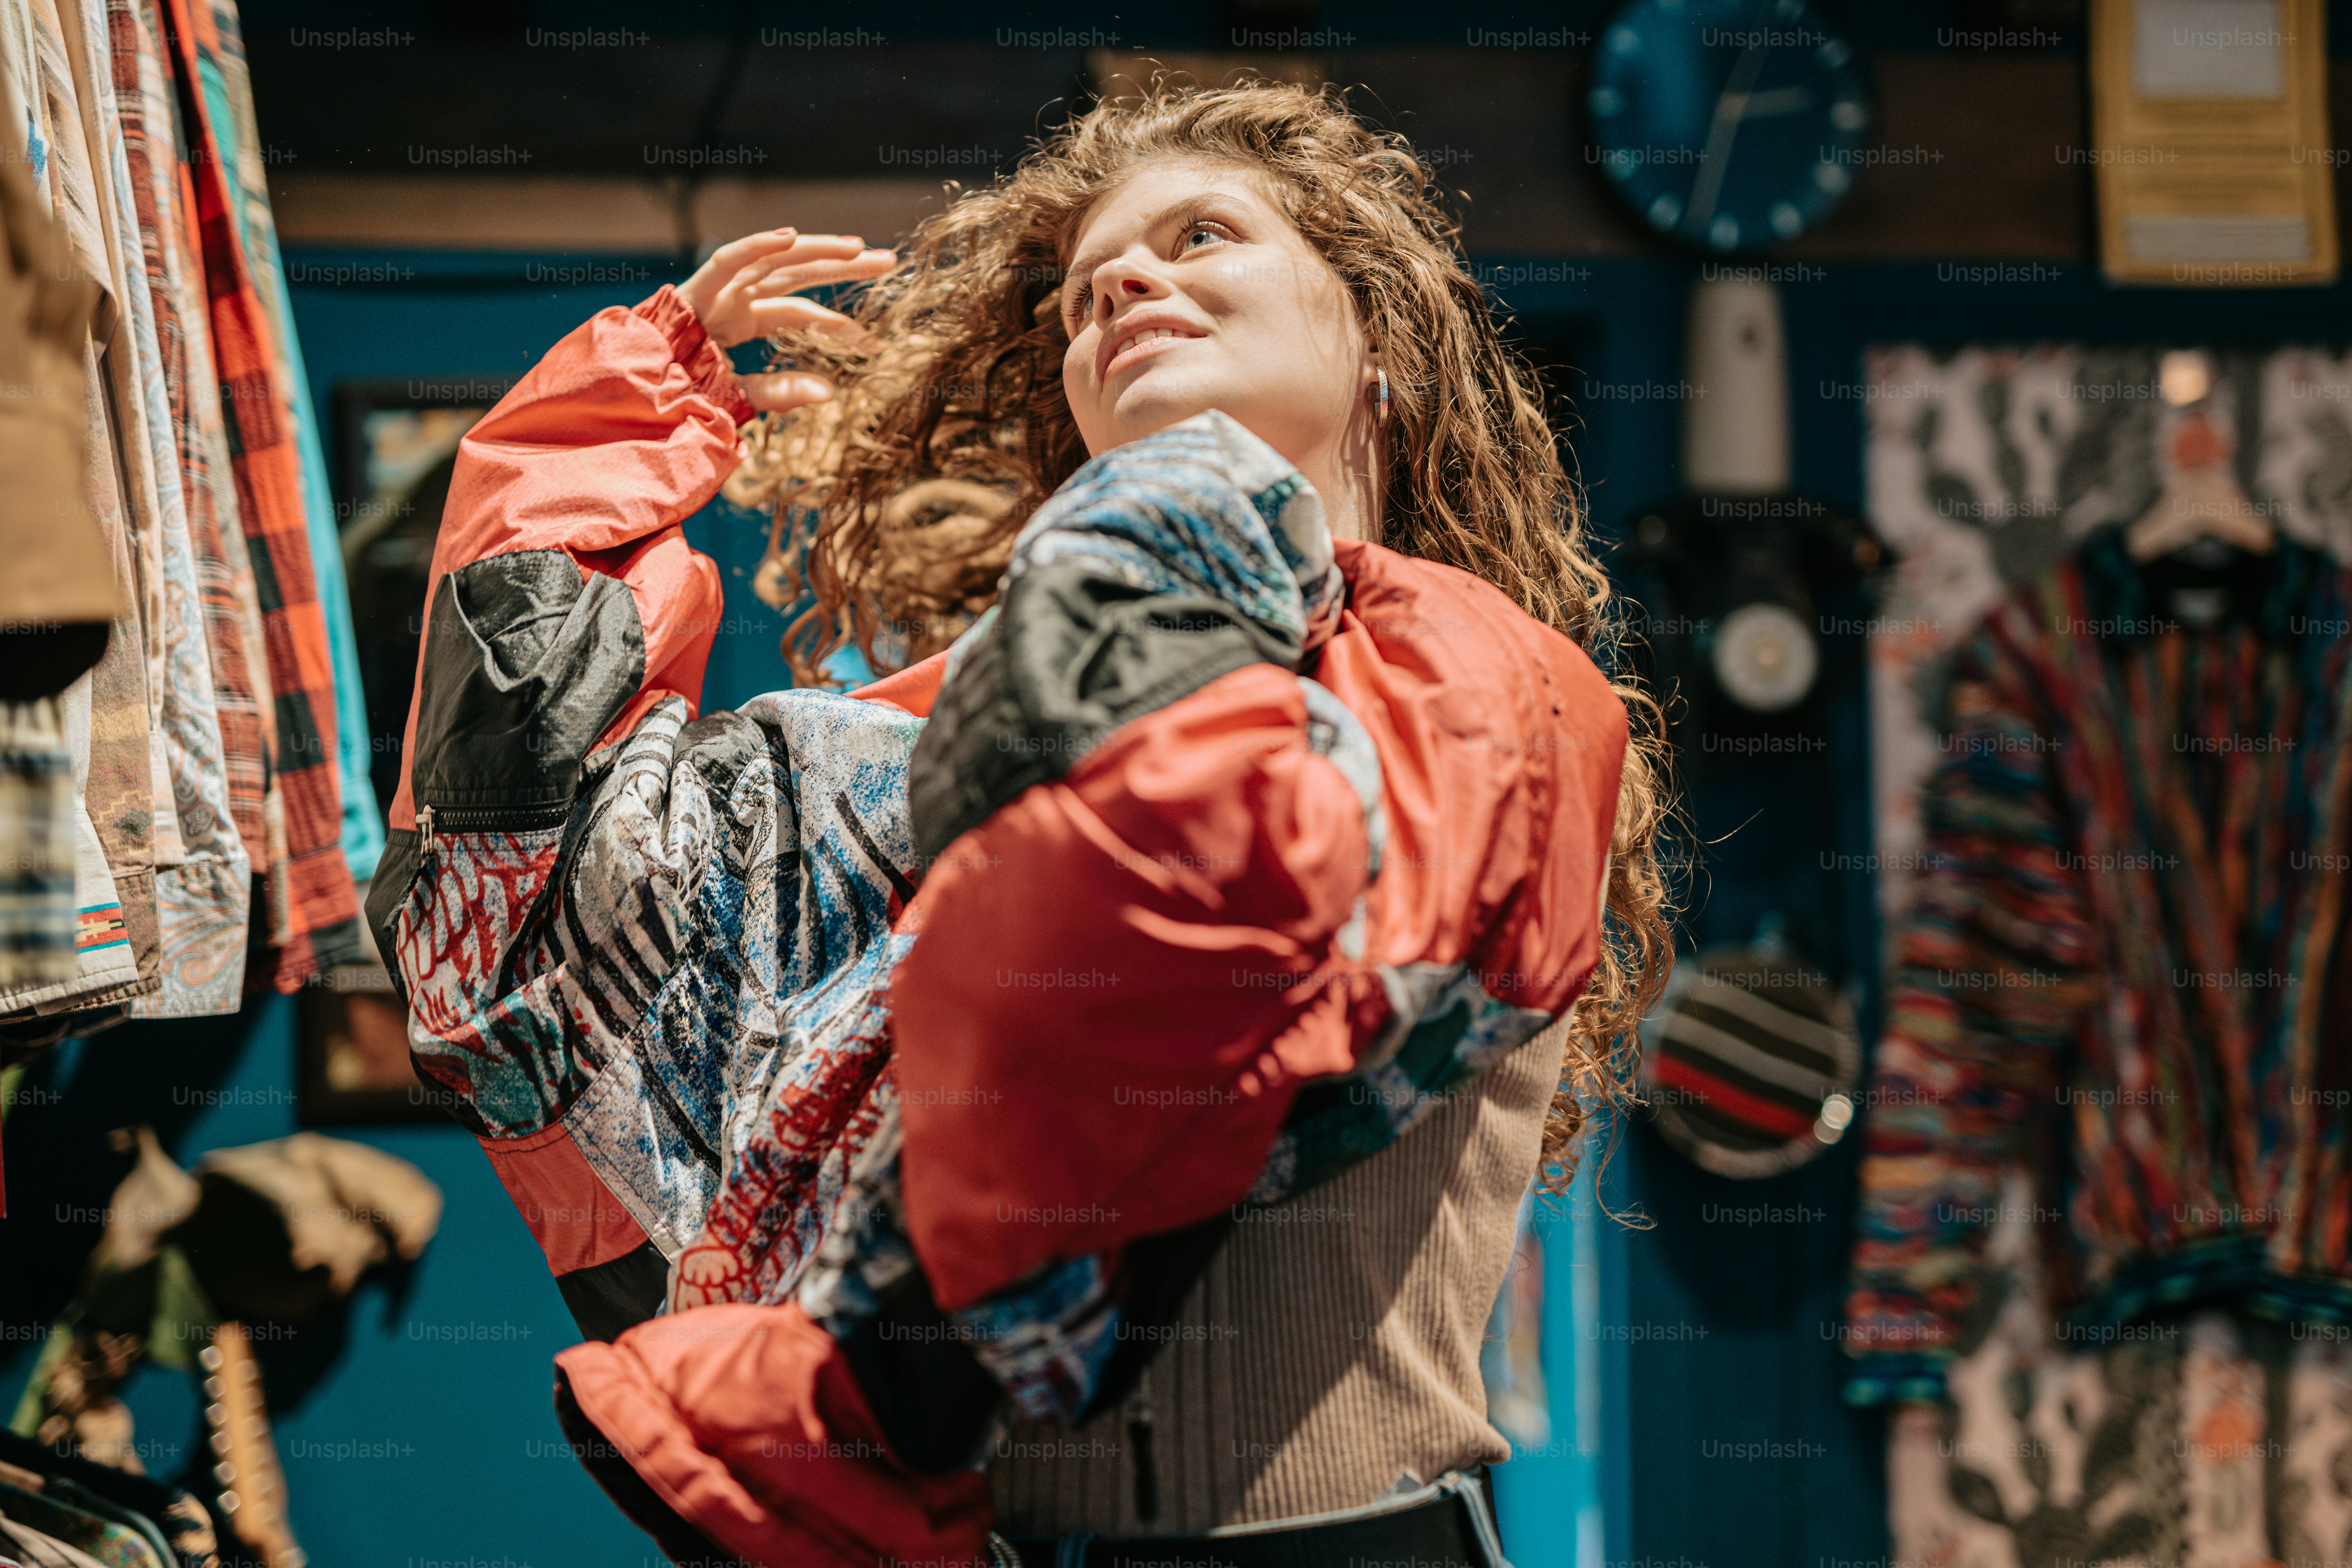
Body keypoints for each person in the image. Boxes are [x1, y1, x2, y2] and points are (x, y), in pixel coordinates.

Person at [366, 81, 1673, 1568]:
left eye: (1201, 235)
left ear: (1377, 346)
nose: (1123, 283)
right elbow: (501, 879)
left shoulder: (1488, 675)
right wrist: (614, 426)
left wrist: (885, 1354)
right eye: (1077, 298)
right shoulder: (936, 733)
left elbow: (1199, 943)